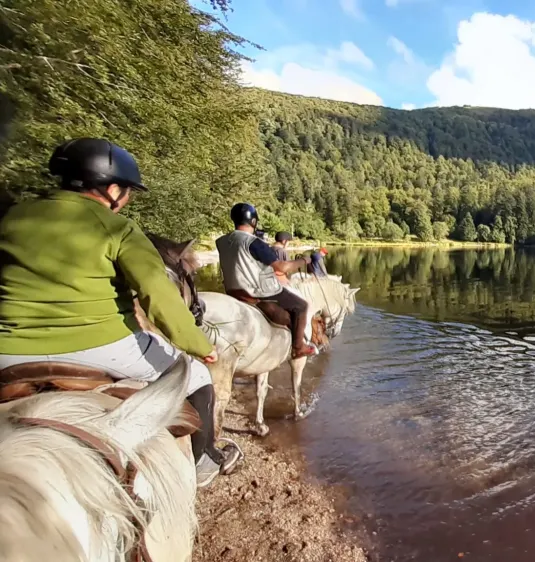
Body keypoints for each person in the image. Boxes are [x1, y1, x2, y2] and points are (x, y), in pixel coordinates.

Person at [0, 138, 239, 487]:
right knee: (199, 377)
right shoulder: (118, 229)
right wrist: (199, 345)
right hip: (103, 344)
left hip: (8, 350)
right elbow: (157, 294)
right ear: (112, 190)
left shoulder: (12, 218)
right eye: (127, 191)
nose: (126, 199)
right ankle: (203, 462)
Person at [215, 204, 318, 358]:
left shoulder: (221, 241)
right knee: (302, 306)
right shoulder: (254, 242)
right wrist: (304, 260)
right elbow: (282, 267)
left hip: (233, 290)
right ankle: (298, 347)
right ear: (254, 222)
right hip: (259, 291)